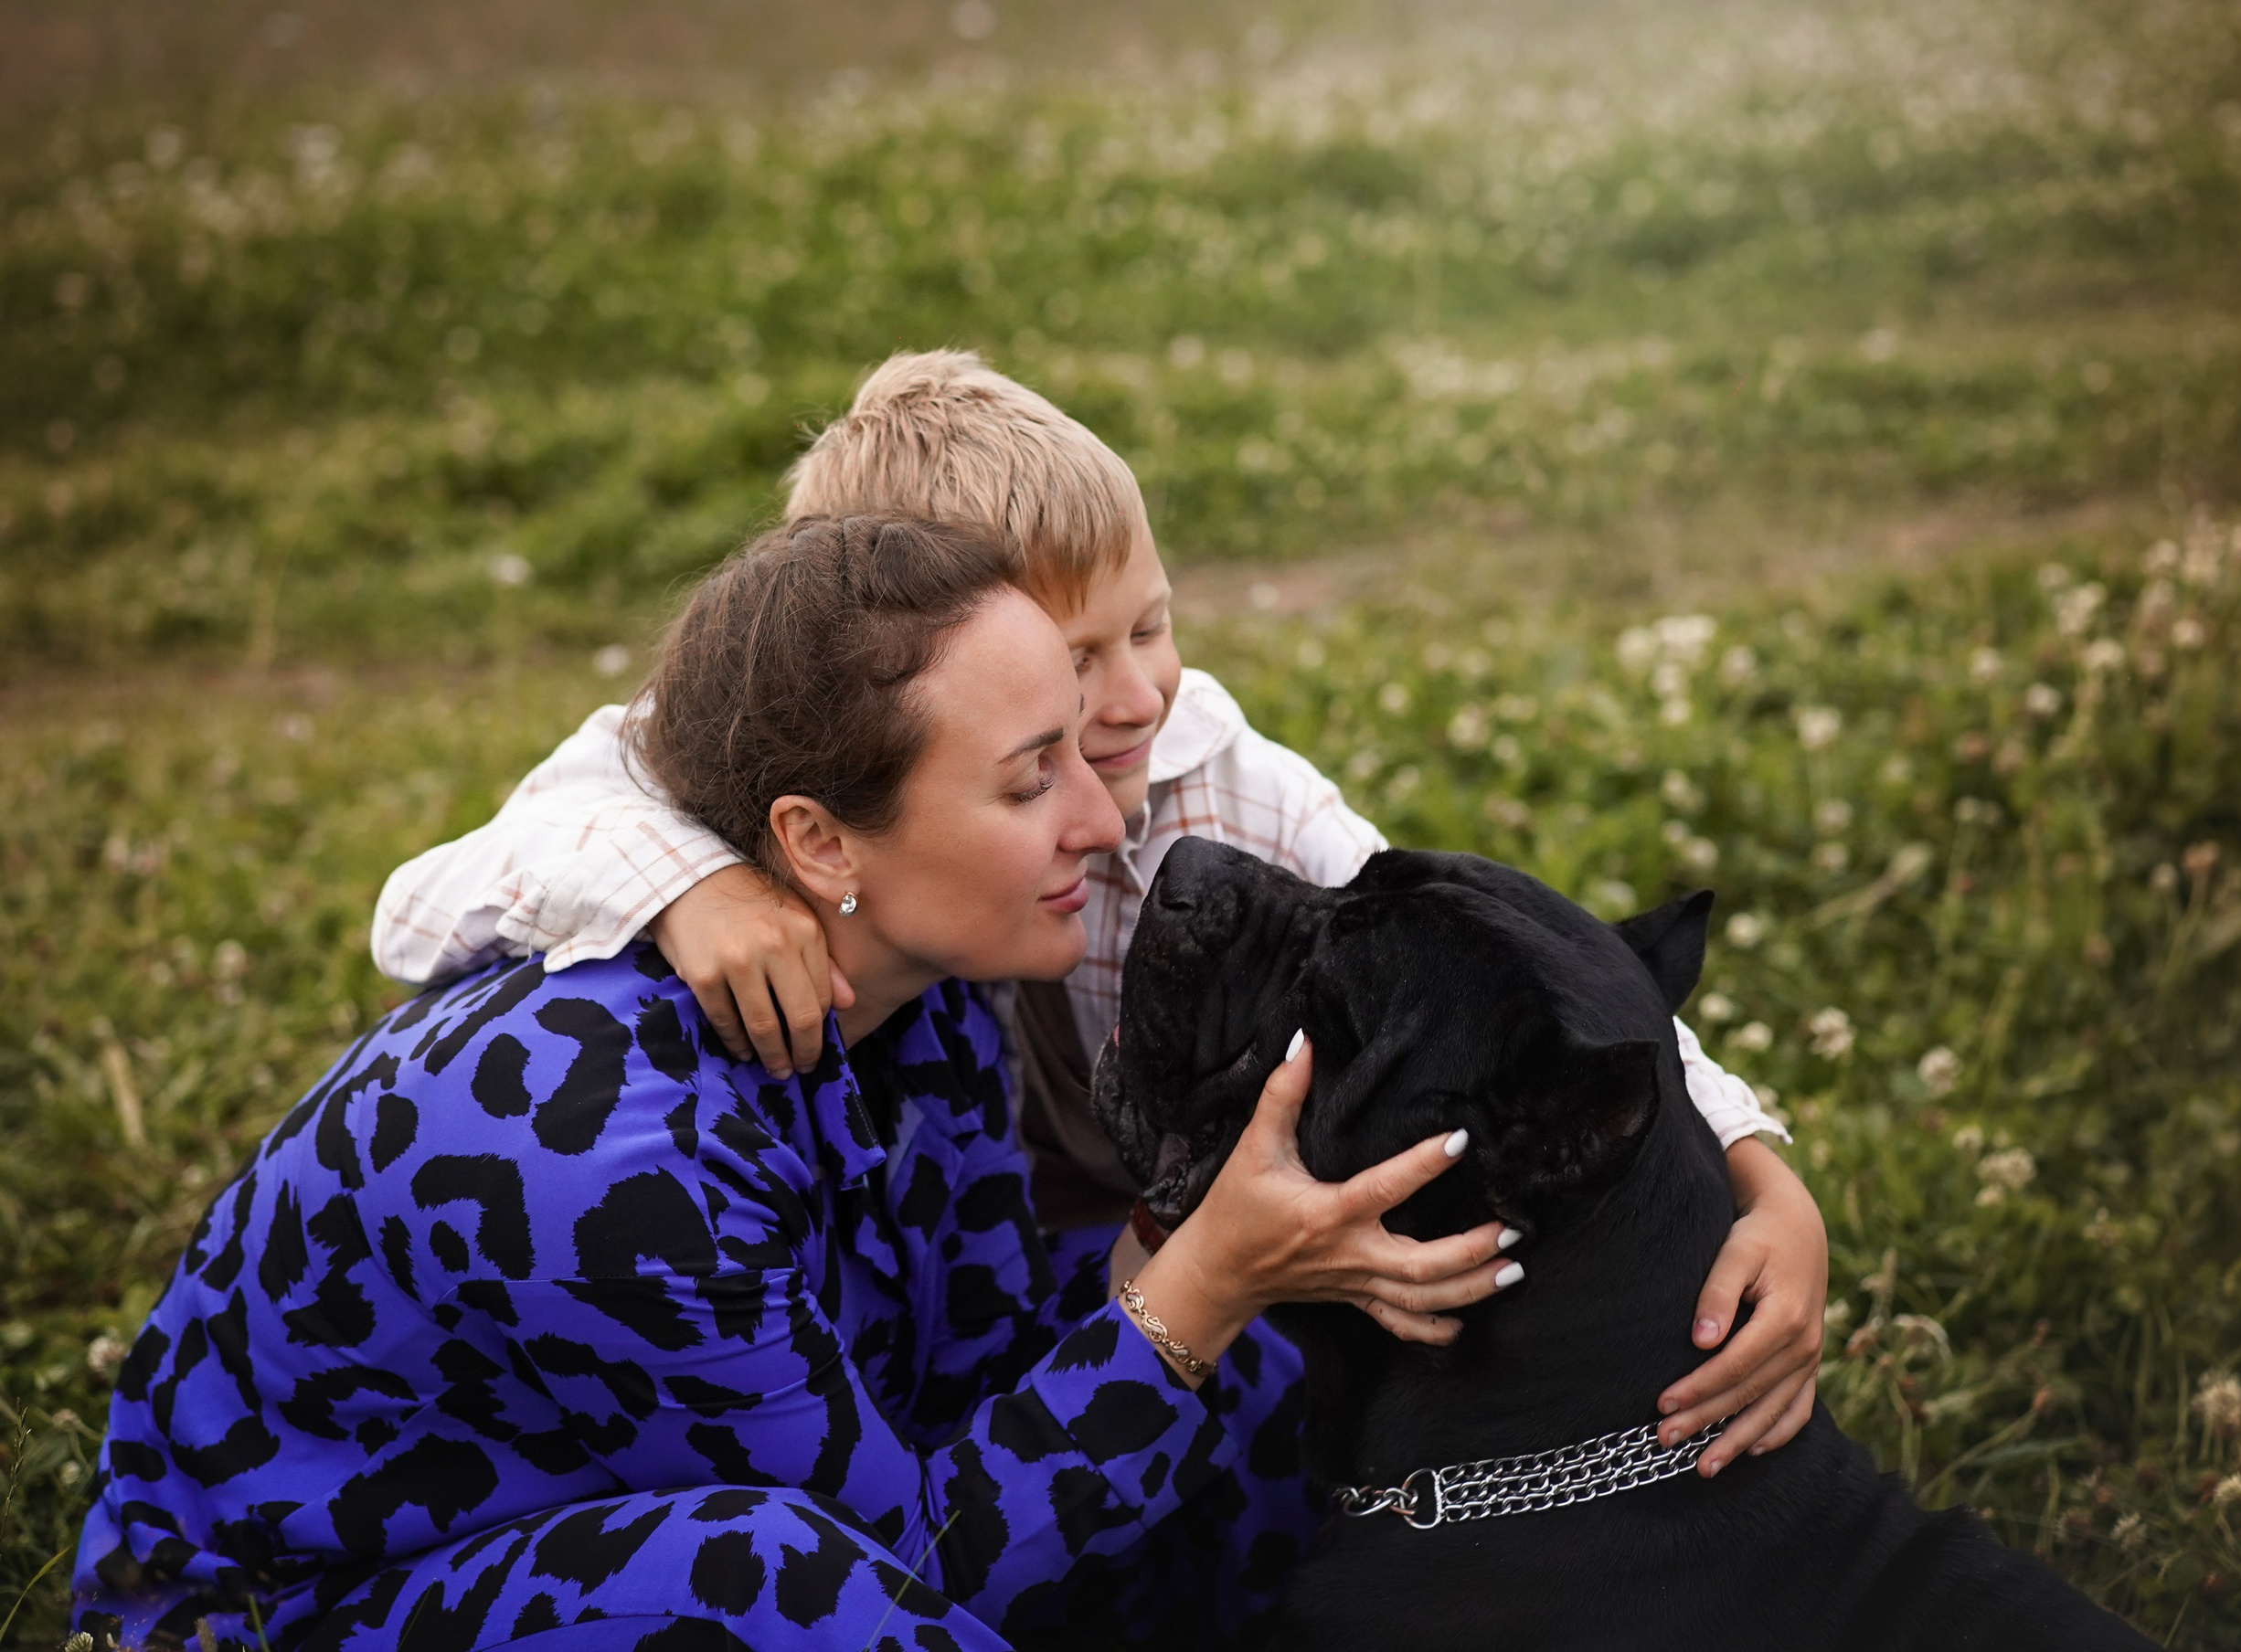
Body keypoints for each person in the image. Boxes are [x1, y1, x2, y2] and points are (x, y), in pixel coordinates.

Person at [375, 351, 1829, 1481]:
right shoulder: (751, 751)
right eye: (1074, 661)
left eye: (1153, 622)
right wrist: (685, 879)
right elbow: (421, 904)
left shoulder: (1209, 774)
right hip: (877, 1251)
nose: (1137, 695)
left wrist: (1754, 1164)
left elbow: (1485, 977)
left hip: (1124, 1227)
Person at [73, 516, 1520, 1652]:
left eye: (1086, 753)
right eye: (1028, 784)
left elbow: (984, 1366)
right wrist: (1200, 1278)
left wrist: (1199, 1244)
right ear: (820, 843)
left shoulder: (924, 998)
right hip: (316, 1605)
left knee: (1241, 1359)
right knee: (779, 1578)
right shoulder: (602, 1147)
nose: (1105, 817)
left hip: (682, 1517)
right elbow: (902, 1573)